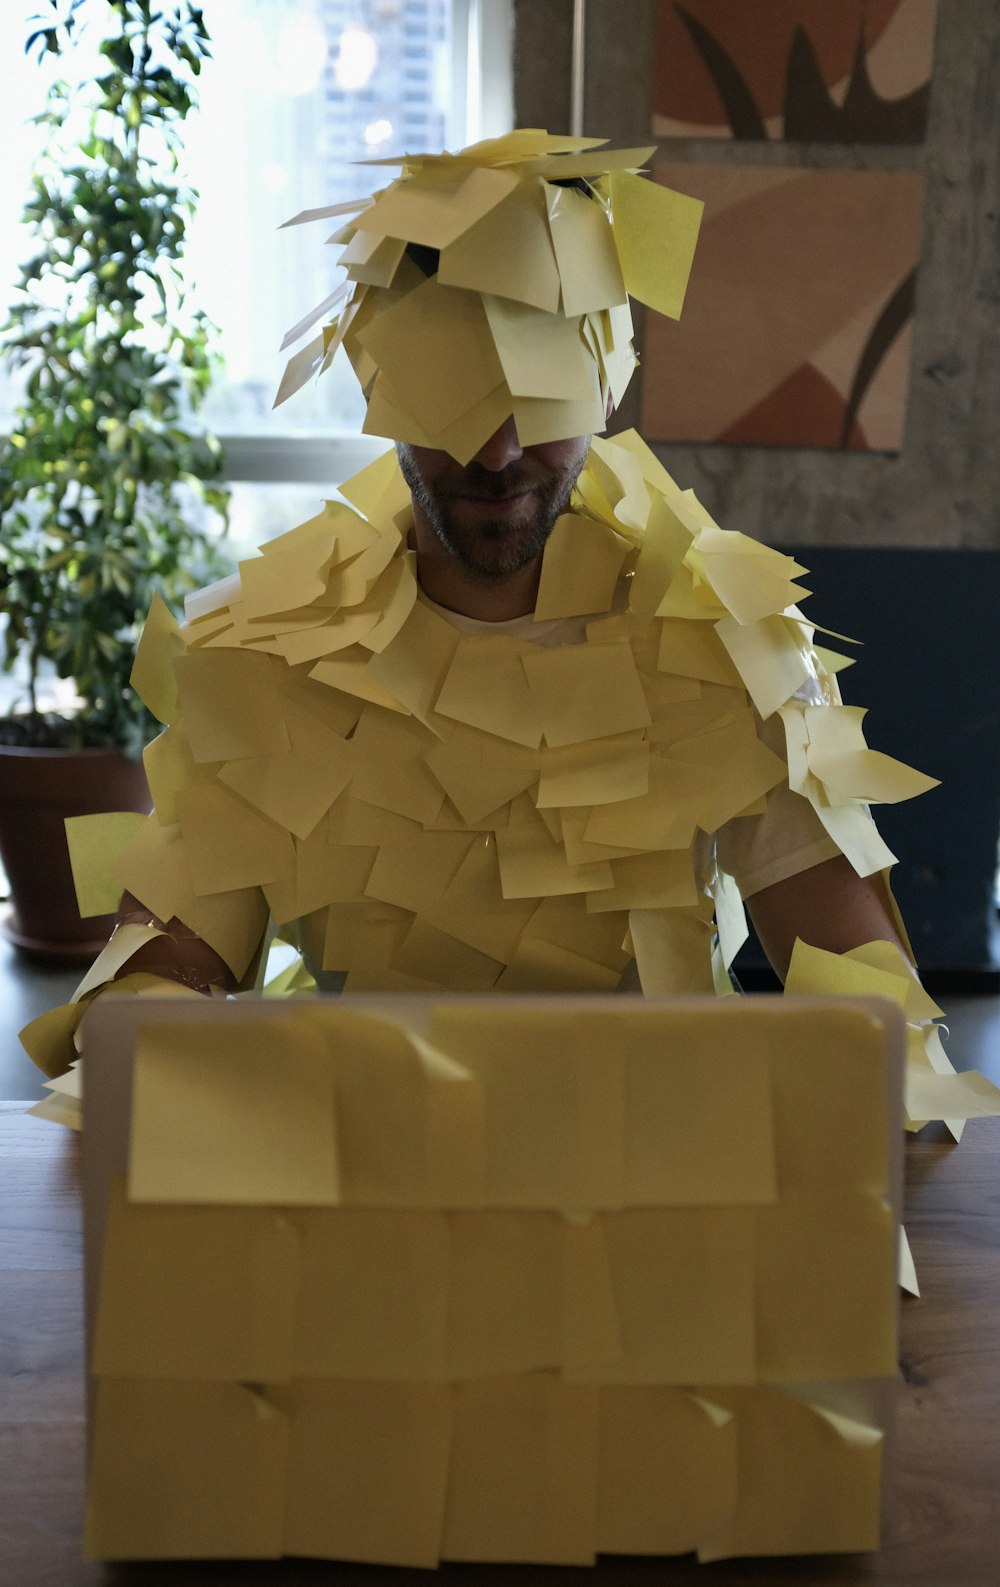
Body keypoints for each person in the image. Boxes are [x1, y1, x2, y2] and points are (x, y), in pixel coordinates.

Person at [20, 131, 944, 1086]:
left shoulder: (727, 642)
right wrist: (149, 1039)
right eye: (450, 398)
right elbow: (161, 972)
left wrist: (875, 1076)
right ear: (380, 386)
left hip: (655, 1177)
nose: (497, 452)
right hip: (353, 1169)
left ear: (603, 378)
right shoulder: (266, 651)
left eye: (538, 402)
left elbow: (866, 1001)